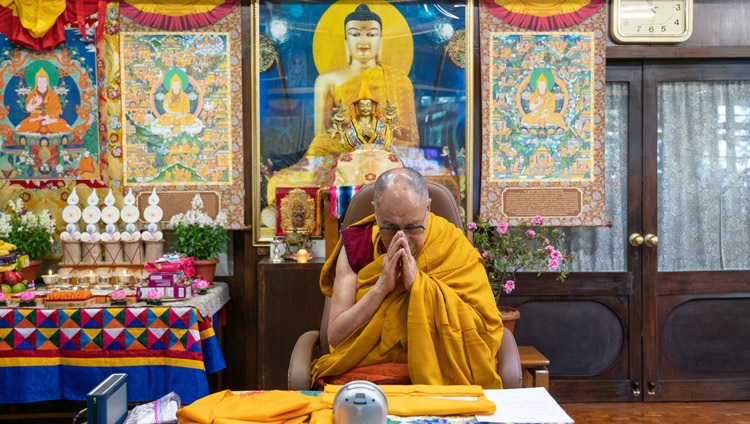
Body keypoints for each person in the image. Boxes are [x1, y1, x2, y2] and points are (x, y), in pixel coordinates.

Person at [311, 168, 504, 388]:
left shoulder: (452, 245)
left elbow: (483, 328)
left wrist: (419, 287)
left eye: (413, 227)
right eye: (390, 227)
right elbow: (335, 335)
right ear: (376, 214)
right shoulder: (357, 246)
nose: (403, 237)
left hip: (438, 374)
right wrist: (381, 288)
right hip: (365, 376)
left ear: (428, 208)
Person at [265, 4, 419, 205]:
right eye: (355, 34)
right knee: (280, 182)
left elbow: (410, 140)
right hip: (341, 160)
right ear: (346, 40)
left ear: (380, 41)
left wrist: (381, 147)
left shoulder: (399, 81)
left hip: (388, 160)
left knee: (434, 177)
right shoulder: (327, 79)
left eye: (371, 35)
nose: (363, 41)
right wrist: (350, 146)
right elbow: (321, 136)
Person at [16, 66, 73, 134]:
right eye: (39, 81)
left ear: (47, 82)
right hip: (36, 118)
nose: (42, 83)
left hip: (49, 118)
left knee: (61, 123)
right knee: (25, 123)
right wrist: (36, 104)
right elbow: (28, 109)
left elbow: (58, 110)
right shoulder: (31, 94)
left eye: (44, 81)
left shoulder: (53, 95)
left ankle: (47, 122)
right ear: (36, 82)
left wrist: (48, 117)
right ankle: (44, 122)